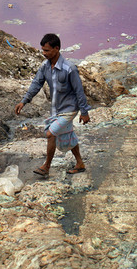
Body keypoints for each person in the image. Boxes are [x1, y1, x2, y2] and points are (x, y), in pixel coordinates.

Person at [15, 33, 90, 177]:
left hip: (69, 109)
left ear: (57, 49)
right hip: (56, 109)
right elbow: (37, 83)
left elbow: (79, 91)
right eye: (42, 50)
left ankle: (46, 167)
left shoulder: (70, 69)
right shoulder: (45, 66)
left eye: (47, 50)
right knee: (67, 134)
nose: (44, 53)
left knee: (51, 134)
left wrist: (84, 112)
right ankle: (79, 163)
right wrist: (24, 101)